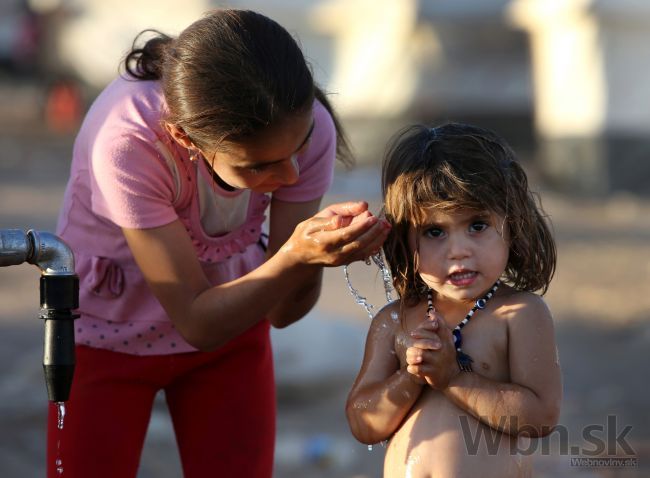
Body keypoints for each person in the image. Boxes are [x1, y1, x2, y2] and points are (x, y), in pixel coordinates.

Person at [48, 9, 390, 478]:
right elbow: (196, 322)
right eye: (258, 167)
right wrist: (296, 256)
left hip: (233, 320)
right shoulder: (128, 141)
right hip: (107, 330)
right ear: (182, 138)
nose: (289, 176)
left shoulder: (306, 130)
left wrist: (314, 256)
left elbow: (282, 312)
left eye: (298, 150)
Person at [346, 123, 562, 477]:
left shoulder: (518, 314)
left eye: (477, 225)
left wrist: (452, 379)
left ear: (512, 225)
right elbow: (363, 423)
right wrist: (410, 378)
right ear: (403, 239)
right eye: (434, 232)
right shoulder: (394, 322)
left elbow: (540, 417)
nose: (458, 251)